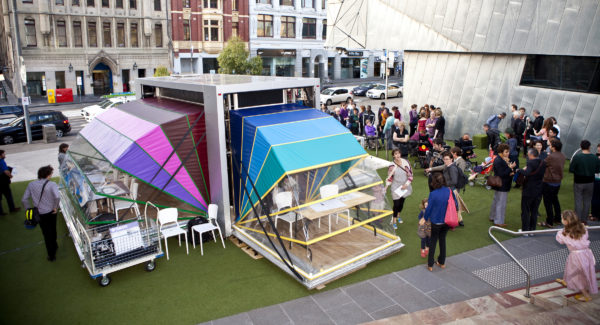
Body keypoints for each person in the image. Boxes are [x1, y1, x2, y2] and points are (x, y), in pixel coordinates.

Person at [555, 210, 598, 302]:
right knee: (585, 272)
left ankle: (586, 295)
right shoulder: (582, 228)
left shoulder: (563, 233)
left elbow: (560, 241)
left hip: (576, 256)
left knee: (576, 275)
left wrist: (562, 230)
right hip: (586, 254)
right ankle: (566, 280)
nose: (561, 219)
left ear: (566, 221)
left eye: (562, 218)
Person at [22, 165, 61, 261]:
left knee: (46, 233)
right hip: (51, 212)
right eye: (51, 173)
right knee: (53, 229)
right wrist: (55, 207)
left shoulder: (31, 184)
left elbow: (24, 199)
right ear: (48, 175)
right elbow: (57, 197)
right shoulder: (52, 184)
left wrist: (28, 209)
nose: (52, 175)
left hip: (39, 213)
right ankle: (54, 246)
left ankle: (51, 254)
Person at [422, 172, 456, 271]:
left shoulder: (433, 194)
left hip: (436, 221)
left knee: (433, 242)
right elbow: (454, 203)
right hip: (446, 221)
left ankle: (430, 264)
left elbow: (429, 209)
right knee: (442, 240)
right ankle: (442, 262)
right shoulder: (449, 190)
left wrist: (425, 218)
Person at [570, 140, 600, 223]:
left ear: (581, 146)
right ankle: (584, 220)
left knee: (578, 200)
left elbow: (571, 169)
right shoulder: (594, 158)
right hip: (590, 181)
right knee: (587, 201)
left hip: (579, 181)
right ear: (589, 147)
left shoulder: (577, 157)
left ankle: (578, 219)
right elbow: (597, 170)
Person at [540, 139, 566, 228]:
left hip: (549, 181)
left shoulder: (551, 156)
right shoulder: (562, 156)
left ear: (553, 147)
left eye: (550, 145)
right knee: (555, 200)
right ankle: (557, 218)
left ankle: (549, 221)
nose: (549, 147)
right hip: (557, 181)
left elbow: (543, 164)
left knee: (548, 202)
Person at [519, 148, 545, 235]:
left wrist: (519, 170)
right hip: (539, 189)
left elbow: (526, 173)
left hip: (529, 190)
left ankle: (525, 230)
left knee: (526, 210)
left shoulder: (530, 163)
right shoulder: (543, 162)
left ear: (531, 155)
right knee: (534, 210)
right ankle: (532, 229)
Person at [489, 143, 516, 227]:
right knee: (501, 203)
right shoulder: (499, 160)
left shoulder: (500, 159)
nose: (508, 153)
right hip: (502, 184)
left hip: (500, 183)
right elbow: (502, 173)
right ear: (501, 152)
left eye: (508, 152)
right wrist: (510, 168)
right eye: (506, 152)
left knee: (496, 201)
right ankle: (498, 221)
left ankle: (493, 216)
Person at [386, 149, 413, 229]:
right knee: (396, 204)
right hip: (395, 186)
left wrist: (406, 184)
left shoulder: (406, 162)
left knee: (401, 203)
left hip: (404, 185)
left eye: (398, 153)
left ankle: (398, 215)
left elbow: (410, 175)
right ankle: (394, 220)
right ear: (393, 155)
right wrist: (386, 187)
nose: (397, 155)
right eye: (395, 154)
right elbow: (390, 177)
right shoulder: (391, 166)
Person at [0, 150, 20, 215]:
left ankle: (1, 212)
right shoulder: (1, 161)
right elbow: (6, 171)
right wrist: (10, 176)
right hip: (3, 182)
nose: (5, 155)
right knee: (8, 195)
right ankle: (12, 208)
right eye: (3, 154)